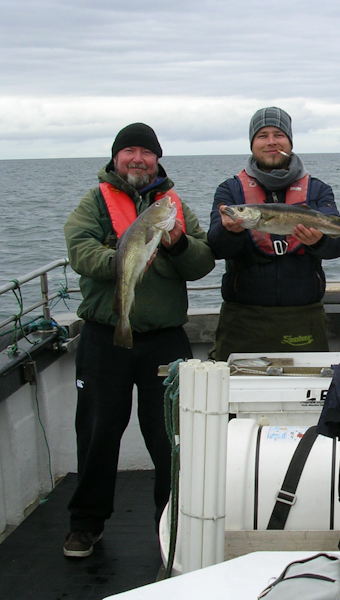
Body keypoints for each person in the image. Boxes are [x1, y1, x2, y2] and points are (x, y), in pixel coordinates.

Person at [63, 123, 215, 558]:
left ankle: (172, 523)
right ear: (115, 158)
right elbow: (80, 250)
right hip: (103, 339)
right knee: (97, 434)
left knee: (172, 438)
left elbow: (202, 261)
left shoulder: (175, 206)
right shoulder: (93, 202)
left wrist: (176, 244)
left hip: (166, 343)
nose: (137, 159)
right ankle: (85, 524)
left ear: (158, 159)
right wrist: (126, 256)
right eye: (128, 151)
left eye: (145, 153)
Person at [208, 107, 340, 360]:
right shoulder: (230, 191)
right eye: (262, 135)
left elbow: (337, 248)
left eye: (278, 134)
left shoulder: (318, 190)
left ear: (290, 142)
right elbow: (216, 248)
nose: (271, 142)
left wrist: (320, 241)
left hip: (304, 317)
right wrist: (231, 233)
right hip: (243, 318)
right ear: (252, 144)